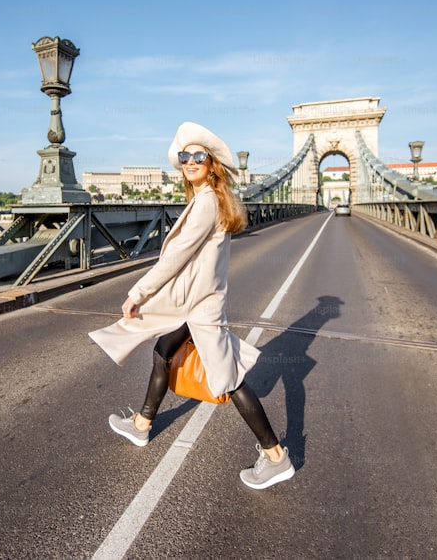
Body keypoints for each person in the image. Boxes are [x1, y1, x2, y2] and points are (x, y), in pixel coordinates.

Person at [89, 121, 294, 490]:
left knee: (228, 380)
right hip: (195, 303)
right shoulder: (206, 200)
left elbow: (176, 257)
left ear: (212, 163)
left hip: (201, 307)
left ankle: (276, 456)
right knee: (162, 350)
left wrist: (137, 293)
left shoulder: (206, 203)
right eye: (185, 156)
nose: (190, 161)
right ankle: (141, 424)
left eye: (199, 155)